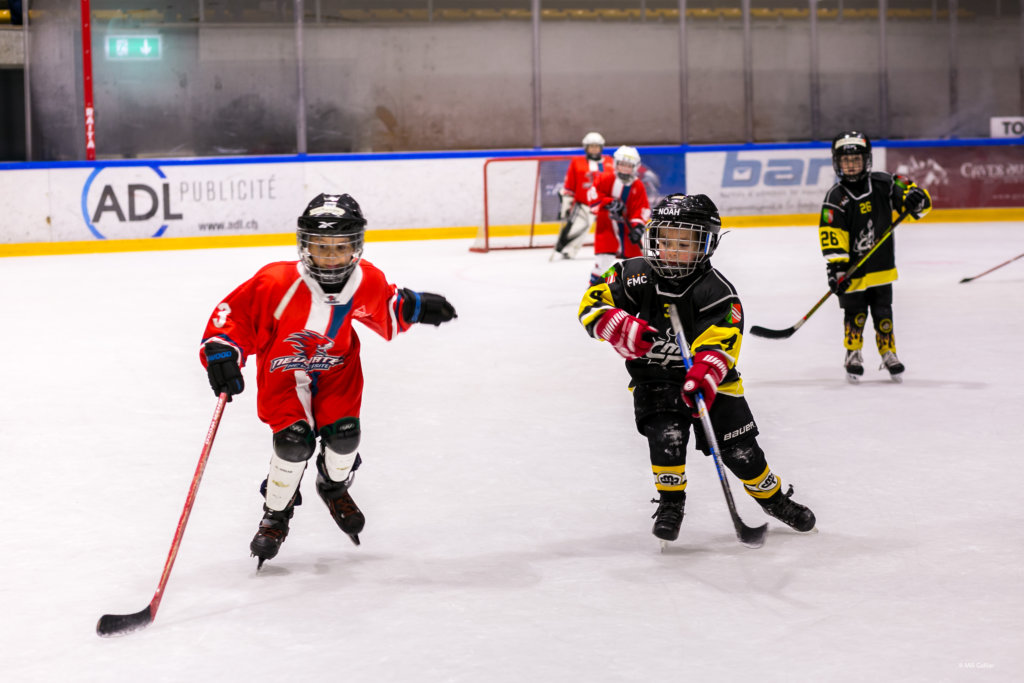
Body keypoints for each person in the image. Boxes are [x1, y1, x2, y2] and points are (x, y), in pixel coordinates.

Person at [200, 193, 457, 568]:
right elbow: (234, 318)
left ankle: (333, 484)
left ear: (356, 248)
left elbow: (384, 305)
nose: (332, 257)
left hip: (338, 373)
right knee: (293, 444)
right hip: (284, 374)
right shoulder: (276, 282)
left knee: (345, 438)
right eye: (322, 247)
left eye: (341, 247)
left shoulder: (365, 279)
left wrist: (414, 306)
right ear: (305, 247)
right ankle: (276, 512)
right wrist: (222, 351)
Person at [577, 193, 816, 543]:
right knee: (666, 438)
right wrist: (616, 325)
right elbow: (592, 301)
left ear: (707, 245)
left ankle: (773, 498)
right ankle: (671, 503)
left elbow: (721, 343)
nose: (672, 251)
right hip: (655, 380)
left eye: (684, 243)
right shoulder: (633, 273)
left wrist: (704, 373)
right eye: (665, 241)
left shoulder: (717, 291)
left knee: (742, 453)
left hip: (713, 386)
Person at [820, 131, 931, 383]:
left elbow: (915, 197)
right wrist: (836, 270)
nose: (851, 165)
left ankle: (888, 352)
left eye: (856, 159)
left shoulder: (885, 183)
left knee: (883, 313)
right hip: (853, 270)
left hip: (881, 266)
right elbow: (832, 234)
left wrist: (917, 199)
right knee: (855, 313)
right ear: (837, 162)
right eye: (846, 160)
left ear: (866, 159)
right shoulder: (835, 197)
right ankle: (853, 353)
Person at [585, 145, 650, 285]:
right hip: (607, 227)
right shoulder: (605, 178)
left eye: (629, 166)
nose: (625, 168)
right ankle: (595, 289)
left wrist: (637, 227)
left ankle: (627, 289)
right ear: (616, 164)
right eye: (622, 164)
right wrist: (609, 202)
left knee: (633, 263)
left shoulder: (638, 186)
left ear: (635, 167)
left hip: (627, 231)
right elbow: (592, 196)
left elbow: (641, 208)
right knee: (603, 262)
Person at [552, 132, 614, 260]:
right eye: (591, 146)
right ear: (586, 148)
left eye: (597, 146)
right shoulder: (577, 162)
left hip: (605, 205)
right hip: (584, 204)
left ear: (601, 147)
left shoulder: (609, 162)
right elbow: (570, 185)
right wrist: (566, 203)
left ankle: (614, 250)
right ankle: (566, 250)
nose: (594, 149)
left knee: (611, 229)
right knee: (577, 228)